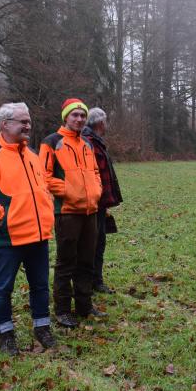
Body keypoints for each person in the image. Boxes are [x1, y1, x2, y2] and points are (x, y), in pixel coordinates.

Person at [0, 102, 57, 355]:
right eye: (22, 121)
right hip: (8, 237)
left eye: (28, 121)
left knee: (40, 285)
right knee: (3, 287)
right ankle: (5, 334)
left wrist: (47, 211)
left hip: (38, 235)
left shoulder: (33, 155)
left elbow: (43, 190)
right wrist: (0, 215)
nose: (28, 125)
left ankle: (42, 327)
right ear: (5, 124)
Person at [39, 98, 103, 328]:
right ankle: (63, 310)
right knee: (66, 262)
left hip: (90, 210)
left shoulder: (87, 143)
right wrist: (69, 191)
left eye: (82, 115)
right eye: (74, 115)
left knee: (87, 260)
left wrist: (95, 191)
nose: (79, 119)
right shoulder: (51, 142)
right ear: (66, 116)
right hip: (66, 211)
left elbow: (95, 171)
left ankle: (85, 306)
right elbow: (44, 177)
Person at [82, 108, 124, 294]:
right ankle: (90, 282)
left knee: (99, 243)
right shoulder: (88, 143)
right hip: (91, 204)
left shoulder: (96, 142)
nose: (106, 124)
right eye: (105, 121)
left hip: (99, 203)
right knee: (92, 245)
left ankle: (96, 281)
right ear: (100, 123)